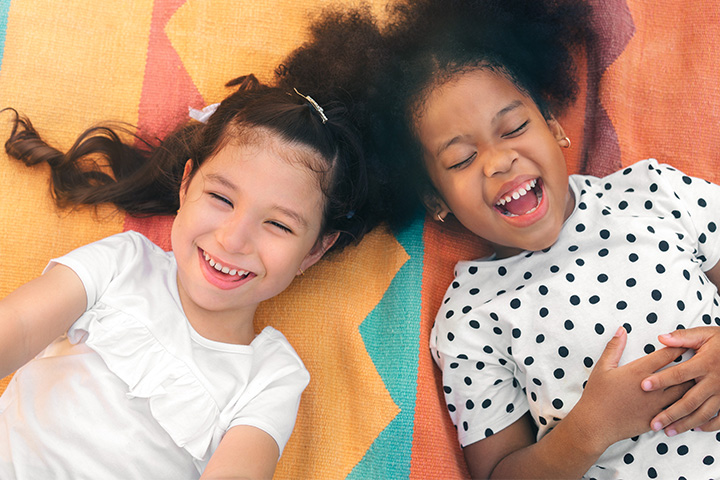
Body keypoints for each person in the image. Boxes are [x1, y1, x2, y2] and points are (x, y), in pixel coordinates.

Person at [287, 0, 720, 478]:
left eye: (514, 128)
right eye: (460, 160)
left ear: (554, 127)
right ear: (436, 200)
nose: (497, 162)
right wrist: (591, 428)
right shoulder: (468, 318)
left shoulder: (650, 192)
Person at [0, 73, 376, 479]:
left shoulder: (271, 377)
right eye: (220, 198)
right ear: (186, 185)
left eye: (279, 225)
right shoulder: (123, 262)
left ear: (316, 249)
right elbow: (18, 327)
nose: (233, 240)